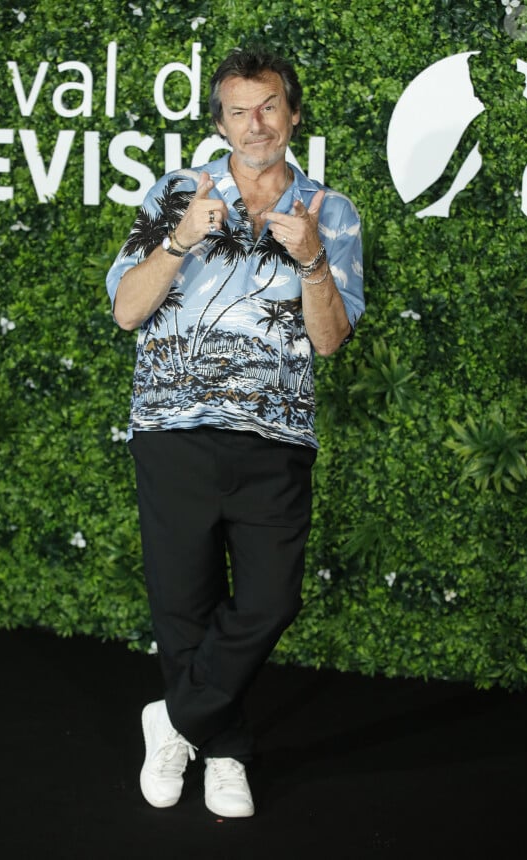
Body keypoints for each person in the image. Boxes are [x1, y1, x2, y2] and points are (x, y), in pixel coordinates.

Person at [106, 47, 364, 818]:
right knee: (182, 603)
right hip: (174, 429)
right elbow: (126, 310)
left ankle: (176, 718)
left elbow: (329, 341)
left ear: (293, 114)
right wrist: (180, 239)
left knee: (270, 598)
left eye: (271, 106)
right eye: (239, 110)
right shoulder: (173, 191)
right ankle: (225, 750)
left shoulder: (332, 210)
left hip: (276, 439)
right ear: (219, 122)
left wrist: (314, 262)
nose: (256, 124)